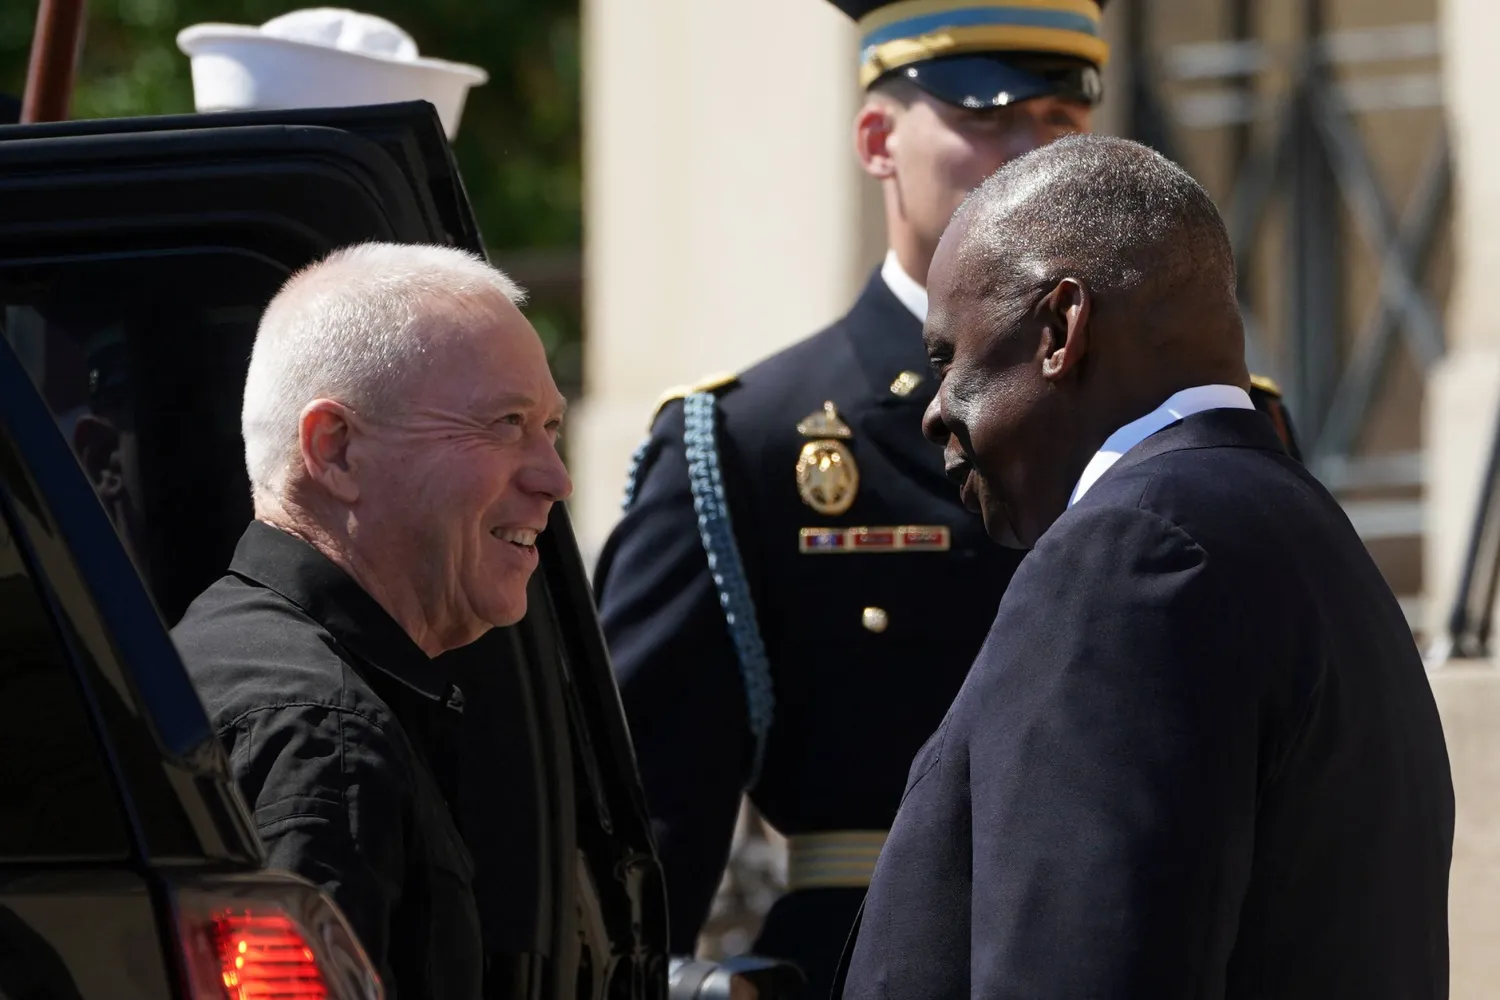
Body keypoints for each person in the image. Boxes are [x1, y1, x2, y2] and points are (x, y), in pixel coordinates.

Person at [838, 134, 1454, 998]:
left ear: (1061, 327)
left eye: (950, 359)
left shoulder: (1126, 557)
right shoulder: (1303, 529)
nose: (936, 413)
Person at [591, 1, 1113, 993]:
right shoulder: (746, 441)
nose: (1032, 157)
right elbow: (641, 850)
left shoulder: (1180, 418)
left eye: (1059, 120)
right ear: (878, 140)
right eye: (989, 117)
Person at [172, 242, 571, 998]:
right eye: (506, 423)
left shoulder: (227, 659)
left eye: (551, 427)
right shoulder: (322, 736)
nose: (555, 477)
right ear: (337, 450)